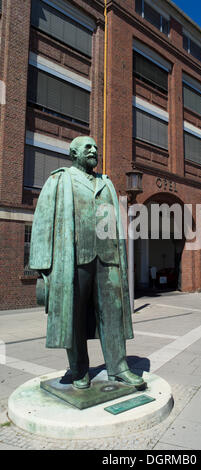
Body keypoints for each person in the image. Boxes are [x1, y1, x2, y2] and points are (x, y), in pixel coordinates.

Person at [29, 136, 145, 390]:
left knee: (113, 313)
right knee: (74, 315)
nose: (94, 150)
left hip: (108, 259)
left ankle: (119, 367)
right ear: (73, 153)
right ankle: (78, 368)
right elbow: (43, 221)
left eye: (95, 147)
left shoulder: (106, 183)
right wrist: (41, 267)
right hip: (74, 260)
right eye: (87, 147)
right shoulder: (59, 180)